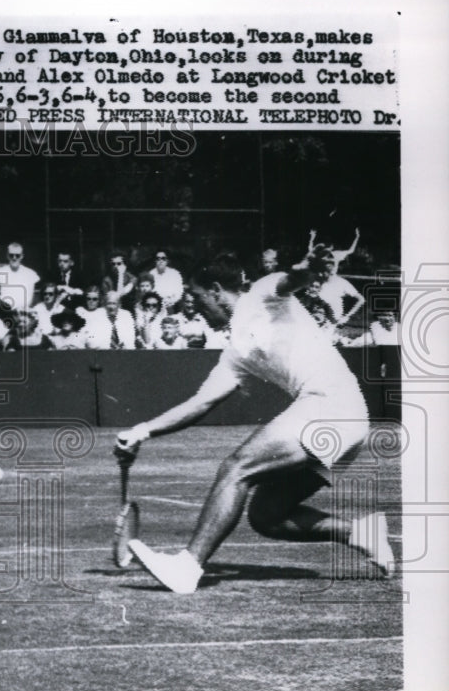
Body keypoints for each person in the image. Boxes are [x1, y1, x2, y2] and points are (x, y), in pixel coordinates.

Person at [115, 247, 393, 594]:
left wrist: (308, 268)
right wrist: (141, 431)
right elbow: (201, 402)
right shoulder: (235, 351)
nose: (198, 306)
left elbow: (291, 279)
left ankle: (188, 566)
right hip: (347, 420)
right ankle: (361, 534)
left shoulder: (262, 293)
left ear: (216, 289)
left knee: (236, 467)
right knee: (268, 516)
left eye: (199, 298)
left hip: (331, 408)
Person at [0, 242, 40, 311]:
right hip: (3, 313)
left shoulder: (31, 274)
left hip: (24, 314)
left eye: (17, 255)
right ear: (7, 256)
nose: (14, 258)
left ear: (22, 256)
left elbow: (33, 299)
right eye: (11, 255)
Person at [76, 286, 113, 350]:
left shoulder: (103, 312)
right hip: (83, 349)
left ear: (99, 300)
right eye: (89, 299)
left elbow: (107, 334)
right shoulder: (80, 311)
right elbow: (78, 334)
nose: (91, 301)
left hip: (100, 349)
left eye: (94, 299)